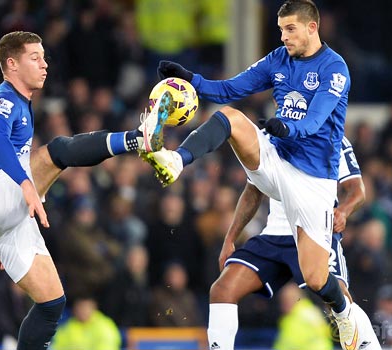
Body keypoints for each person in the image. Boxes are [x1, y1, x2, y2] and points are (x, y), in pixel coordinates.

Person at [142, 0, 357, 348]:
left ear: (312, 28)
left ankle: (344, 311)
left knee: (318, 278)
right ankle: (178, 159)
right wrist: (190, 80)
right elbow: (230, 88)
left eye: (290, 29)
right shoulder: (278, 59)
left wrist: (286, 128)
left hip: (312, 179)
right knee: (231, 116)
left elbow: (315, 120)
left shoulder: (335, 69)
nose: (283, 36)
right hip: (278, 159)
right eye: (280, 29)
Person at [0, 31, 173, 350]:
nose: (45, 64)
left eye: (44, 57)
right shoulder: (2, 99)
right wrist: (25, 187)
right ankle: (138, 138)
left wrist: (0, 224)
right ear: (12, 64)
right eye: (35, 58)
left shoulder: (23, 103)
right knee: (56, 151)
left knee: (52, 302)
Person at [207, 136, 381, 350]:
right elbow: (253, 190)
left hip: (315, 229)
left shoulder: (333, 138)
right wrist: (230, 238)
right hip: (275, 233)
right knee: (222, 289)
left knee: (338, 299)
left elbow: (357, 190)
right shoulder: (269, 137)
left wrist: (343, 211)